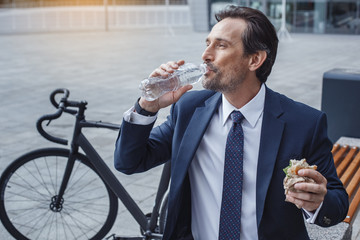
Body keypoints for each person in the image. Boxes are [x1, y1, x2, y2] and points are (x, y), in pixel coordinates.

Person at [114, 5, 348, 240]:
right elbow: (129, 162)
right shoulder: (189, 109)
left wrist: (317, 202)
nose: (206, 54)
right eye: (207, 43)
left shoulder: (304, 122)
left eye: (221, 45)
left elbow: (337, 204)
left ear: (255, 59)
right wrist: (147, 105)